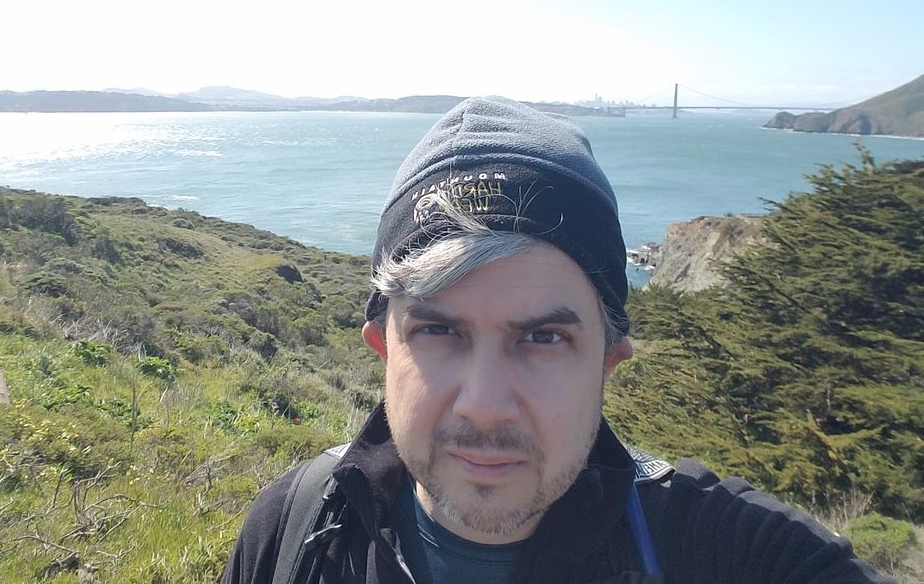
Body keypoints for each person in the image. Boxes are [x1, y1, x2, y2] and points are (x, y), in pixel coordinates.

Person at [221, 96, 893, 584]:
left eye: (543, 337)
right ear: (384, 348)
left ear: (608, 360)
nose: (485, 406)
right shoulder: (293, 529)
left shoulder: (722, 551)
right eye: (438, 330)